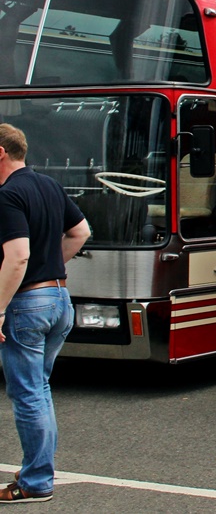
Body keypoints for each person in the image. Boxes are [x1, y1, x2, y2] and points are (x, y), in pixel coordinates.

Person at [0, 123, 90, 504]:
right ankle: (37, 470)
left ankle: (36, 481)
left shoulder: (7, 196)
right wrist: (49, 265)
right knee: (39, 389)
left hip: (27, 305)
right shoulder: (48, 185)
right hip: (59, 299)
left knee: (28, 395)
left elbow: (17, 257)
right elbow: (82, 232)